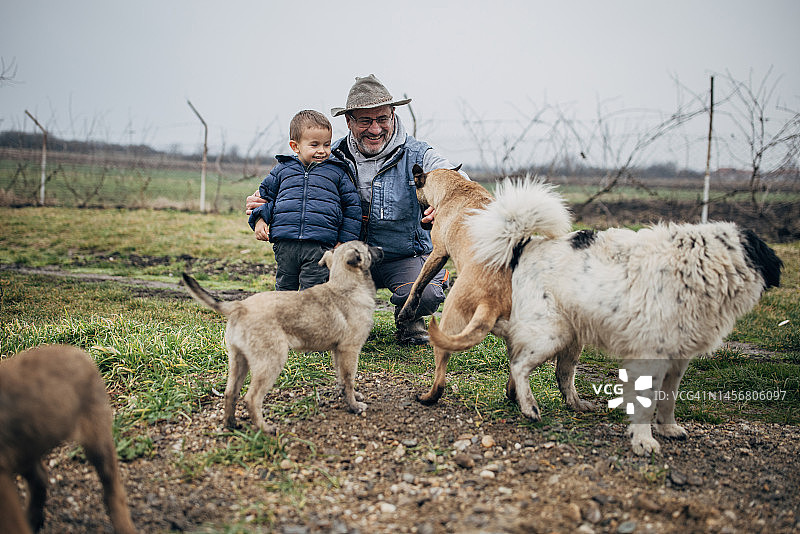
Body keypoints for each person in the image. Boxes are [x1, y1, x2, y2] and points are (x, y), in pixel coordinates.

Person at [247, 75, 465, 345]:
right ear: (349, 121)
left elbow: (457, 179)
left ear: (393, 115)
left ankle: (410, 319)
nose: (375, 129)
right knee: (316, 282)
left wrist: (446, 204)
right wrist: (261, 207)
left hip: (402, 256)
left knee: (427, 294)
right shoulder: (329, 156)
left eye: (382, 119)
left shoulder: (419, 155)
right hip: (347, 257)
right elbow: (291, 186)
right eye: (365, 121)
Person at [248, 109, 362, 291]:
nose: (322, 151)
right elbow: (265, 198)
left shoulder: (337, 172)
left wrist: (344, 242)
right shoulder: (282, 170)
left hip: (320, 246)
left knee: (314, 293)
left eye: (326, 144)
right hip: (285, 244)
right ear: (295, 146)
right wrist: (260, 221)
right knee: (285, 290)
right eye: (314, 145)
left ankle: (313, 320)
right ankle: (284, 320)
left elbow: (352, 208)